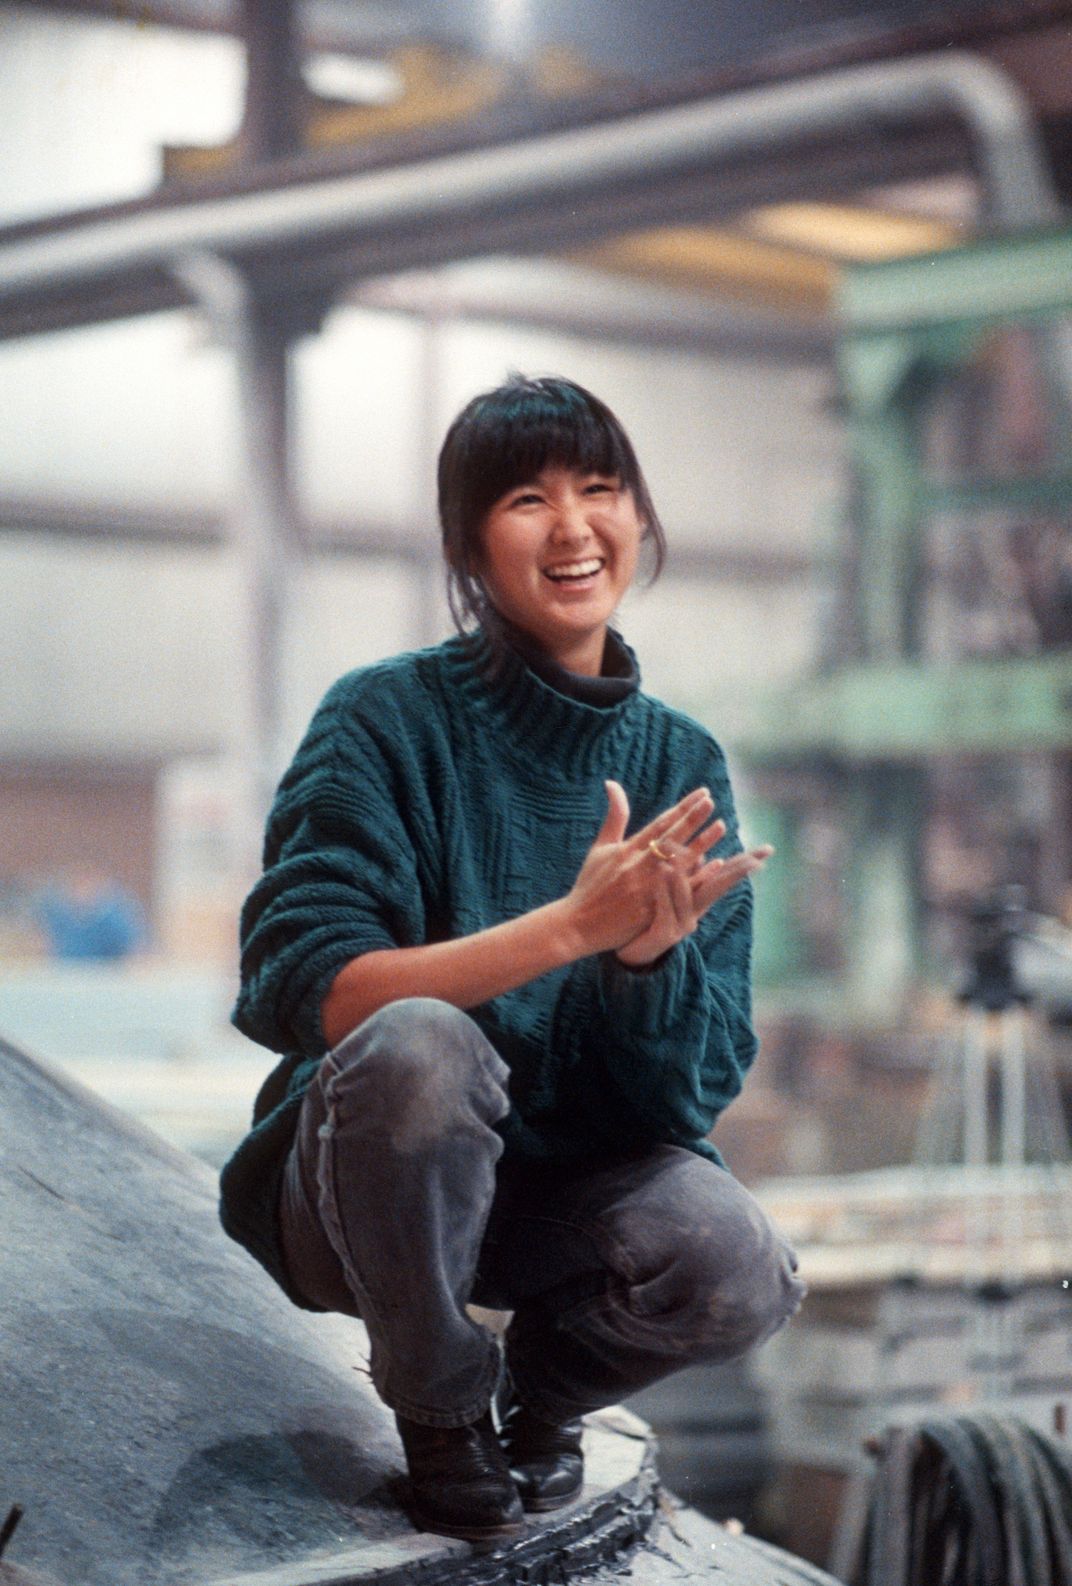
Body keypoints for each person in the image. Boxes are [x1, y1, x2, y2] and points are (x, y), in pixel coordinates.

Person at [220, 374, 805, 1543]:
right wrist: (568, 931)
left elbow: (683, 1099)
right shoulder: (383, 718)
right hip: (354, 1193)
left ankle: (540, 1397)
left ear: (640, 515)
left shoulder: (683, 760)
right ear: (468, 544)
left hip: (544, 1209)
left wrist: (640, 967)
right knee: (421, 1046)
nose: (575, 525)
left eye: (602, 488)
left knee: (735, 1259)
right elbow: (308, 985)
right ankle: (439, 1405)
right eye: (528, 498)